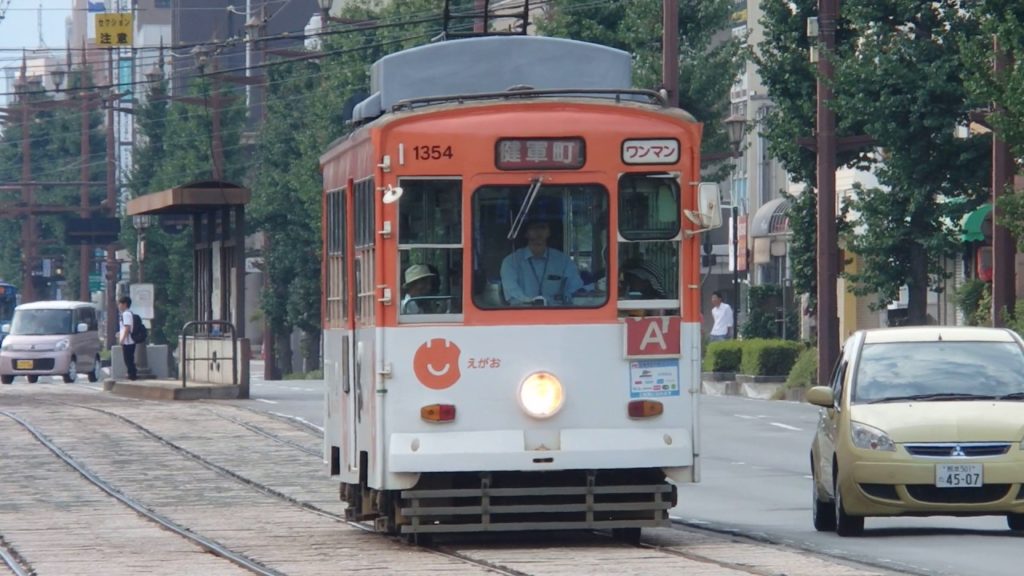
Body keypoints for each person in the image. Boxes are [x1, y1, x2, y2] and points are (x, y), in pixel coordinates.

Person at [500, 218, 584, 306]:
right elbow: (512, 293)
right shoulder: (511, 261)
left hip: (558, 314)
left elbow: (575, 289)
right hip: (522, 315)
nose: (538, 232)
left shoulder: (563, 260)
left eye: (543, 228)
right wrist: (532, 303)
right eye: (533, 228)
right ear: (525, 233)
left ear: (549, 232)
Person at [117, 296, 138, 381]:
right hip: (129, 340)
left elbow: (127, 328)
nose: (119, 306)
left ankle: (132, 375)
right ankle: (131, 374)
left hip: (128, 341)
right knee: (129, 358)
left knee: (128, 359)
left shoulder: (126, 314)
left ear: (125, 304)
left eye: (120, 304)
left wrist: (122, 340)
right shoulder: (129, 313)